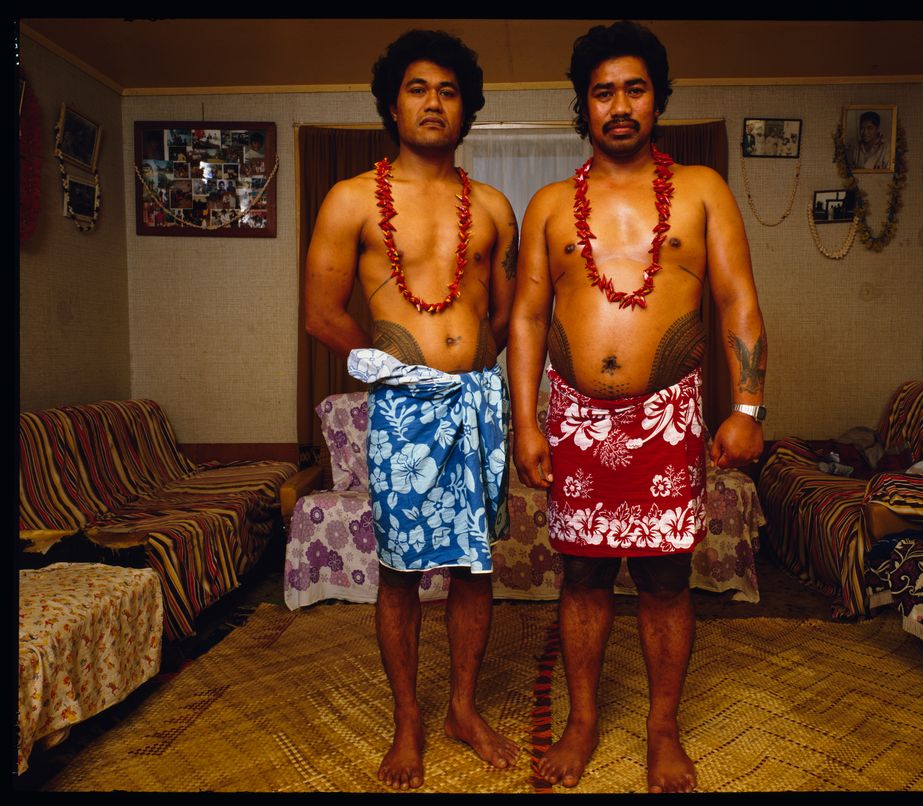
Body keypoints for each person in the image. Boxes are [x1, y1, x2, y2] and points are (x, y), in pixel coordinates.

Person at [508, 20, 767, 794]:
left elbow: (739, 303)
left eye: (635, 89)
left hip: (667, 415)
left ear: (658, 99)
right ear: (581, 106)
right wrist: (527, 422)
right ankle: (584, 722)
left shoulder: (701, 191)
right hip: (575, 420)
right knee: (582, 577)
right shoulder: (551, 204)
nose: (619, 105)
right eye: (602, 92)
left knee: (663, 581)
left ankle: (662, 729)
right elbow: (524, 318)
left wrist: (748, 407)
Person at [303, 29, 520, 790]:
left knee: (473, 565)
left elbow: (508, 316)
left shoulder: (492, 205)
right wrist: (389, 362)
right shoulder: (352, 199)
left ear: (467, 111)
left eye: (449, 91)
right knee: (400, 571)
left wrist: (487, 388)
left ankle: (463, 707)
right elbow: (320, 312)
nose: (434, 102)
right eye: (419, 88)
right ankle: (409, 720)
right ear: (393, 105)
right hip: (403, 409)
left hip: (478, 405)